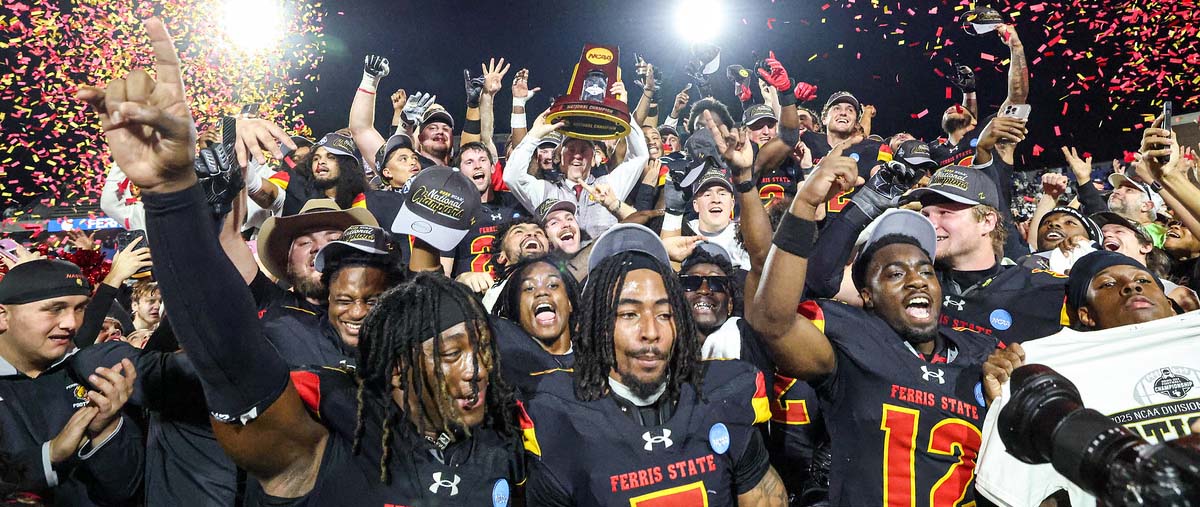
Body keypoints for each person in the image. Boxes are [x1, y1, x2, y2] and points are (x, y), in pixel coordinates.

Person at [75, 18, 524, 504]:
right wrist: (171, 201)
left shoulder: (499, 445)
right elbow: (227, 354)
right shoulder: (329, 440)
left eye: (477, 351)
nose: (475, 369)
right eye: (451, 354)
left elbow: (426, 268)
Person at [748, 142, 998, 506]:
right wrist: (803, 205)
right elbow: (772, 321)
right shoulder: (852, 342)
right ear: (866, 295)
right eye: (895, 273)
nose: (915, 280)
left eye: (925, 270)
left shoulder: (980, 353)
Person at [521, 223, 788, 506]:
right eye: (628, 314)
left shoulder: (722, 393)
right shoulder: (559, 416)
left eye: (664, 314)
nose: (651, 331)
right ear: (598, 324)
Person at [975, 251, 1198, 507]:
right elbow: (1013, 492)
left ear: (1170, 305)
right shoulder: (1043, 363)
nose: (1132, 286)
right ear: (1086, 315)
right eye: (1108, 284)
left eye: (1145, 281)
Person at [0, 259, 142, 506]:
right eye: (55, 309)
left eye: (80, 308)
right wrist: (48, 456)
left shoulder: (95, 376)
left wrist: (106, 431)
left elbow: (125, 489)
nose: (72, 324)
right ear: (3, 316)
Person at [906, 165, 1069, 343]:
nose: (930, 224)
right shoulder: (904, 281)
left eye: (945, 213)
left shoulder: (1041, 289)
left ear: (987, 221)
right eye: (925, 214)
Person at [262, 225, 405, 368]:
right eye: (344, 301)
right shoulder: (285, 331)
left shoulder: (411, 346)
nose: (357, 312)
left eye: (373, 302)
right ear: (330, 294)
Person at [504, 102, 650, 239]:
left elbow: (640, 156)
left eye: (584, 150)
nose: (577, 155)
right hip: (561, 265)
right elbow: (512, 177)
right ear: (560, 159)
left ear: (594, 159)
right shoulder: (545, 191)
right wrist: (534, 135)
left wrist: (623, 111)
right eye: (571, 150)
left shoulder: (608, 185)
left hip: (606, 263)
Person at [252, 198, 378, 316]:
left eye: (333, 239)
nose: (320, 247)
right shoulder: (274, 307)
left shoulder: (381, 317)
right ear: (288, 262)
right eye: (305, 242)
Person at [442, 141, 527, 292]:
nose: (477, 166)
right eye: (469, 162)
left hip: (517, 292)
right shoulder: (451, 213)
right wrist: (461, 279)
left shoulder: (515, 202)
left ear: (493, 168)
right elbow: (443, 276)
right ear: (459, 174)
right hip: (474, 298)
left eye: (483, 160)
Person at [489, 254, 578, 393]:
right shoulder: (504, 372)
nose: (542, 292)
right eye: (529, 288)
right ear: (516, 309)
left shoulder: (598, 363)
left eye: (553, 285)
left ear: (569, 302)